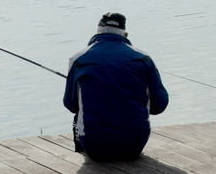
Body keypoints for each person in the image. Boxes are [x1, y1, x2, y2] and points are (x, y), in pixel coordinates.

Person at [64, 12, 169, 162]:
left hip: (95, 147)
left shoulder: (78, 59)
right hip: (135, 144)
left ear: (97, 33)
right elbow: (160, 105)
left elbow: (71, 105)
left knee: (79, 116)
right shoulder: (143, 58)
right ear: (125, 34)